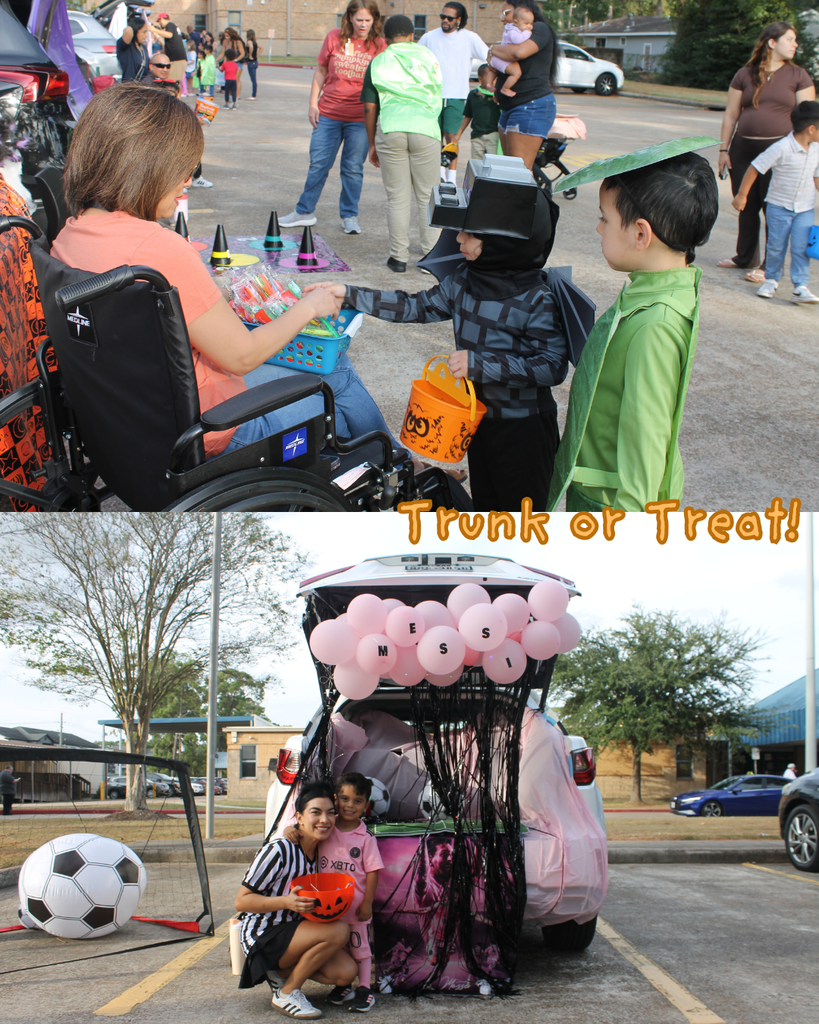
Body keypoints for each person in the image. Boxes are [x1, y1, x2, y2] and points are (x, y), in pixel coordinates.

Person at [50, 85, 392, 461]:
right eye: (187, 167)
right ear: (148, 164)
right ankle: (393, 467)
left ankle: (390, 460)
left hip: (135, 422)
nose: (189, 180)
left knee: (329, 376)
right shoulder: (158, 248)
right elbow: (242, 357)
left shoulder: (68, 237)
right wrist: (310, 307)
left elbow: (141, 315)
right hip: (217, 429)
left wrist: (216, 294)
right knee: (336, 374)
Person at [312, 188, 569, 508]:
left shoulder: (536, 299)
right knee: (487, 508)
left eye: (470, 232)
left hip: (523, 431)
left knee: (520, 518)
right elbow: (414, 306)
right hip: (477, 420)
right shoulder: (465, 280)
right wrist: (348, 294)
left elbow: (553, 365)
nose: (459, 239)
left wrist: (480, 364)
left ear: (504, 239)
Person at [548, 145, 719, 512]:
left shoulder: (654, 327)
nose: (598, 227)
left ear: (641, 234)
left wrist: (627, 543)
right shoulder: (658, 292)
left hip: (613, 515)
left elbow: (644, 457)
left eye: (605, 219)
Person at [236, 781, 357, 1019]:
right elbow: (241, 901)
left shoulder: (321, 852)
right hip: (264, 934)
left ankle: (281, 975)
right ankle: (288, 992)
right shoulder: (279, 850)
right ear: (299, 817)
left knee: (346, 973)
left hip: (295, 932)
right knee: (338, 931)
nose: (325, 819)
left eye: (330, 813)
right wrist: (286, 902)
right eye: (316, 812)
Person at [717, 22, 815, 283]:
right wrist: (724, 150)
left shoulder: (799, 75)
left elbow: (809, 119)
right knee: (745, 204)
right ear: (772, 42)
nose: (795, 44)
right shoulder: (744, 74)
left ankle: (769, 267)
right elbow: (731, 115)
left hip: (779, 153)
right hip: (742, 149)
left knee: (773, 209)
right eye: (790, 39)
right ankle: (744, 257)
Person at [279, 0, 386, 235]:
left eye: (368, 20)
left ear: (374, 20)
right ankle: (304, 211)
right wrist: (312, 103)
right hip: (328, 113)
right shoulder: (334, 37)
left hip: (360, 118)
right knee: (318, 163)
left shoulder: (379, 45)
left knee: (352, 168)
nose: (363, 25)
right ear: (349, 18)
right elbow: (321, 71)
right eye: (359, 19)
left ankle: (350, 215)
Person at [284, 773, 383, 1013]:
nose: (350, 805)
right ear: (336, 799)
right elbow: (304, 829)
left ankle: (364, 988)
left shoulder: (366, 838)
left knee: (360, 948)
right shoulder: (326, 826)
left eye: (358, 801)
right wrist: (291, 829)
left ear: (366, 805)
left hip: (356, 907)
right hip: (328, 906)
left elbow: (372, 871)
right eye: (345, 799)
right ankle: (345, 986)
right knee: (339, 948)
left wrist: (367, 902)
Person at [360, 14, 443, 273]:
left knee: (397, 197)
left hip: (391, 128)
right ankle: (431, 256)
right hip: (425, 128)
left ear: (385, 38)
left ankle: (398, 258)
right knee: (428, 195)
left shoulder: (378, 61)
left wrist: (372, 142)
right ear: (412, 36)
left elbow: (369, 107)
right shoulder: (428, 57)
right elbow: (439, 95)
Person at [732, 100, 819, 303]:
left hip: (805, 209)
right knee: (776, 245)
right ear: (812, 129)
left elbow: (816, 178)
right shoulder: (782, 147)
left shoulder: (816, 150)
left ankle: (800, 287)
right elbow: (755, 167)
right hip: (778, 207)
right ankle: (771, 280)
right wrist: (742, 194)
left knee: (800, 248)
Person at [419, 3, 488, 185]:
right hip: (432, 96)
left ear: (459, 20)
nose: (445, 21)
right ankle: (438, 174)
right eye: (443, 16)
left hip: (456, 96)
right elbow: (416, 61)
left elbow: (489, 57)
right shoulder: (429, 37)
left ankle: (451, 177)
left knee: (452, 138)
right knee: (434, 137)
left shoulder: (469, 38)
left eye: (450, 18)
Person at [487, 0, 558, 170]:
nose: (502, 18)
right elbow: (495, 62)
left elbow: (518, 53)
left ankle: (530, 198)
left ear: (522, 10)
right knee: (511, 171)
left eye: (506, 13)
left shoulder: (538, 29)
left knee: (520, 172)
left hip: (530, 106)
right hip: (510, 108)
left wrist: (492, 48)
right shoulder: (514, 33)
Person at [452, 63, 500, 160]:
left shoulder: (497, 95)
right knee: (476, 164)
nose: (493, 82)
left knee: (493, 163)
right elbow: (468, 116)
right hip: (476, 136)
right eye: (490, 78)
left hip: (494, 136)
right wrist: (458, 135)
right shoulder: (473, 95)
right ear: (480, 79)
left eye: (495, 79)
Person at [491, 6, 534, 97]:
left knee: (494, 70)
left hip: (499, 58)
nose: (529, 26)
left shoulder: (511, 28)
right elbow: (517, 40)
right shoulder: (513, 31)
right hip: (503, 59)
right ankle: (505, 88)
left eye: (531, 23)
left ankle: (489, 83)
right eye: (526, 23)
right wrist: (528, 33)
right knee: (516, 73)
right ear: (515, 22)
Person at [151, 13, 188, 86]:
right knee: (173, 83)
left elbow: (169, 35)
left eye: (159, 21)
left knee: (172, 84)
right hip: (178, 59)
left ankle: (175, 97)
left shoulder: (170, 25)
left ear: (161, 19)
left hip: (176, 59)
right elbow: (169, 46)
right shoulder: (173, 27)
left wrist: (154, 30)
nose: (160, 24)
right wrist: (159, 54)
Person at [116, 18, 151, 82]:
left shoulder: (143, 47)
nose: (146, 35)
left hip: (142, 87)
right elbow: (128, 31)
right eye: (144, 32)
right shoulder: (126, 46)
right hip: (129, 87)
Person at [217, 27, 246, 100]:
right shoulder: (225, 42)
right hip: (229, 63)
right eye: (225, 36)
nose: (226, 37)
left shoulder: (237, 41)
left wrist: (235, 60)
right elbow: (223, 53)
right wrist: (216, 60)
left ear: (231, 34)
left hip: (238, 62)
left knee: (236, 78)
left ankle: (237, 95)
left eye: (228, 36)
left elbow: (242, 53)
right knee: (229, 79)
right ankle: (231, 94)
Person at [245, 28, 260, 100]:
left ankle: (253, 95)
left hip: (251, 62)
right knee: (254, 79)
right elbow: (262, 47)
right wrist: (257, 54)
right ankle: (254, 94)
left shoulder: (249, 42)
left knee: (253, 79)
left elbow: (250, 47)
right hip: (255, 62)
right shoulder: (255, 43)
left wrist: (250, 55)